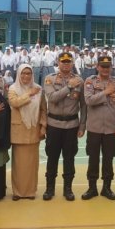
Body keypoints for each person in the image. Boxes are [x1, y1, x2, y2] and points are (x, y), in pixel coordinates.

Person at [43, 52, 87, 201]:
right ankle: (50, 188)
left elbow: (84, 106)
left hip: (71, 125)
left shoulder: (80, 81)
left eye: (68, 62)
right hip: (54, 124)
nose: (66, 64)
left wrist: (82, 126)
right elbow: (52, 98)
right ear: (58, 62)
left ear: (73, 63)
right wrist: (68, 87)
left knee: (69, 158)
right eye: (63, 61)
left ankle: (68, 189)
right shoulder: (50, 79)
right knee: (52, 157)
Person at [83, 55, 115, 201]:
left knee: (109, 158)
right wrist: (105, 92)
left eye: (108, 66)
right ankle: (92, 188)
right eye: (103, 66)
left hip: (110, 129)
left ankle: (106, 188)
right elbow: (88, 100)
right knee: (93, 158)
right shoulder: (90, 82)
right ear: (97, 67)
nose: (105, 69)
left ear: (111, 67)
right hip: (94, 128)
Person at [8, 64, 47, 200]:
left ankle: (31, 192)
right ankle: (18, 192)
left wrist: (43, 125)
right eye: (23, 73)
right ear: (19, 74)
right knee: (18, 165)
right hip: (19, 130)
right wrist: (29, 94)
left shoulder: (39, 89)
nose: (26, 76)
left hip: (33, 129)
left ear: (32, 75)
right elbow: (14, 103)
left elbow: (43, 109)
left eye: (28, 73)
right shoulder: (13, 88)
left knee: (32, 164)